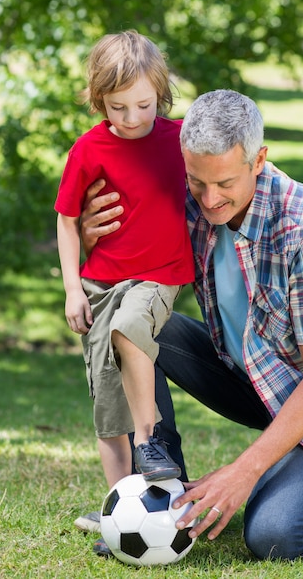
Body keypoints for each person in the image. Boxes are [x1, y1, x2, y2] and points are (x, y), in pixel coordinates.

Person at [78, 89, 303, 561]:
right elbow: (122, 273)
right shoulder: (193, 197)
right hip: (253, 376)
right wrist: (91, 238)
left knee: (271, 535)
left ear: (259, 160)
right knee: (127, 319)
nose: (209, 200)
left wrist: (243, 472)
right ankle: (157, 494)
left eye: (225, 182)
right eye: (196, 181)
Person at [54, 31, 195, 498]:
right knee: (107, 408)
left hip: (158, 276)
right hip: (100, 283)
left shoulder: (181, 141)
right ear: (99, 100)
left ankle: (149, 442)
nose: (132, 118)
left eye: (144, 105)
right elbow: (68, 220)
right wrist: (74, 289)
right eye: (118, 108)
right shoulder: (89, 150)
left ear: (160, 93)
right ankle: (120, 509)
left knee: (130, 325)